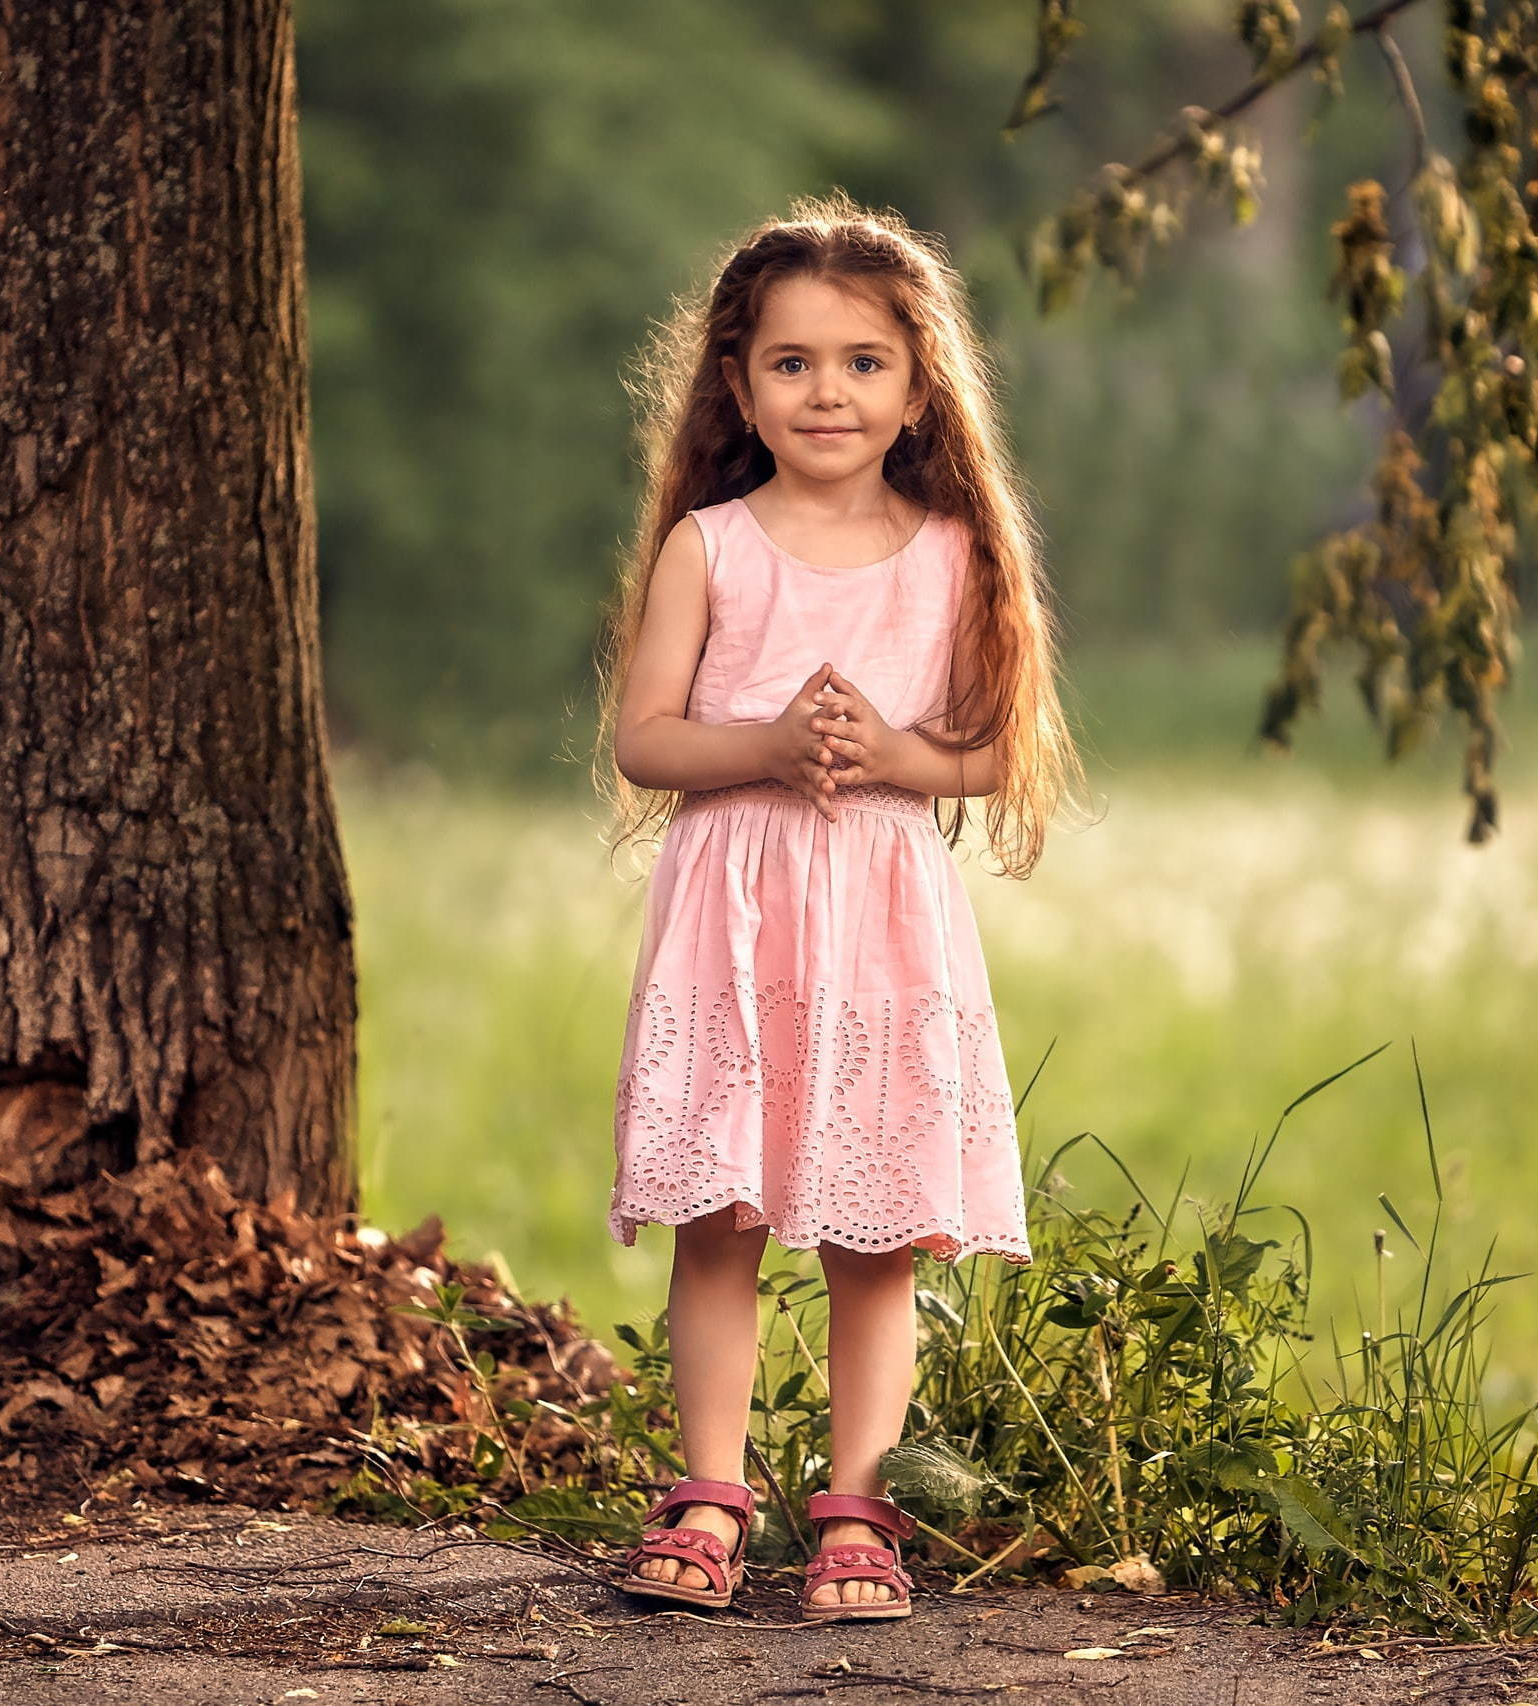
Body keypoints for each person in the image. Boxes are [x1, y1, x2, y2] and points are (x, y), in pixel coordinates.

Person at [589, 192, 1086, 1622]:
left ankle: (858, 1510)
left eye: (864, 361)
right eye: (793, 361)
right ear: (737, 382)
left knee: (876, 1231)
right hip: (733, 914)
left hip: (879, 916)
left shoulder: (951, 553)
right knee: (724, 1212)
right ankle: (706, 1495)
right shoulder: (711, 544)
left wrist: (891, 757)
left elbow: (999, 748)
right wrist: (763, 745)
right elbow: (646, 737)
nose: (828, 390)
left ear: (918, 384)